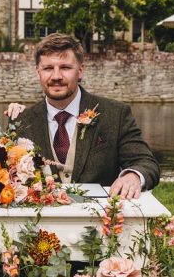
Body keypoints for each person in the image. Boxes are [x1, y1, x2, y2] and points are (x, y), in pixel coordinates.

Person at [10, 33, 159, 199]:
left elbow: (146, 162)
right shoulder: (21, 121)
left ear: (80, 71)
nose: (56, 76)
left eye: (65, 67)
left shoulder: (115, 114)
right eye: (48, 68)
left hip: (101, 219)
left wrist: (133, 176)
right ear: (38, 73)